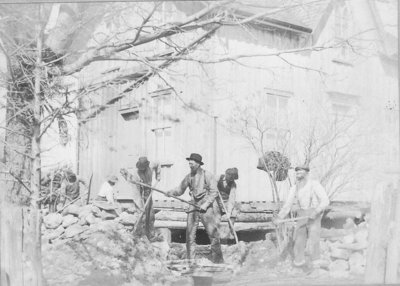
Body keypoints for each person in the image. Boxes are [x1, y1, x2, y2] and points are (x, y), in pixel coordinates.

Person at [166, 153, 224, 264]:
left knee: (213, 234)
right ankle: (190, 262)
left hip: (206, 207)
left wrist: (206, 204)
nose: (190, 164)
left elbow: (214, 192)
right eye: (189, 163)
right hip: (193, 205)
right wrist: (171, 192)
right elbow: (180, 189)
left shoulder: (208, 175)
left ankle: (218, 261)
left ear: (198, 164)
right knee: (190, 235)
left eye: (192, 163)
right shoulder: (189, 177)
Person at [276, 165, 330, 268]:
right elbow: (288, 205)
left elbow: (325, 201)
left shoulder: (314, 184)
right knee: (299, 239)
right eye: (297, 173)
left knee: (314, 239)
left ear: (306, 173)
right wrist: (279, 217)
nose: (298, 174)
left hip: (314, 214)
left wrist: (316, 212)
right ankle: (299, 263)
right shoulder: (294, 187)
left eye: (300, 172)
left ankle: (316, 264)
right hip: (301, 215)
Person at [135, 156, 161, 241]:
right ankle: (142, 235)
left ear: (146, 166)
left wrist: (158, 175)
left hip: (149, 191)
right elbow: (137, 191)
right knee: (143, 215)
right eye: (140, 168)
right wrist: (140, 204)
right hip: (142, 194)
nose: (142, 169)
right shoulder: (137, 173)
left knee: (151, 215)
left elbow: (158, 163)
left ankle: (150, 234)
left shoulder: (151, 166)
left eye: (143, 168)